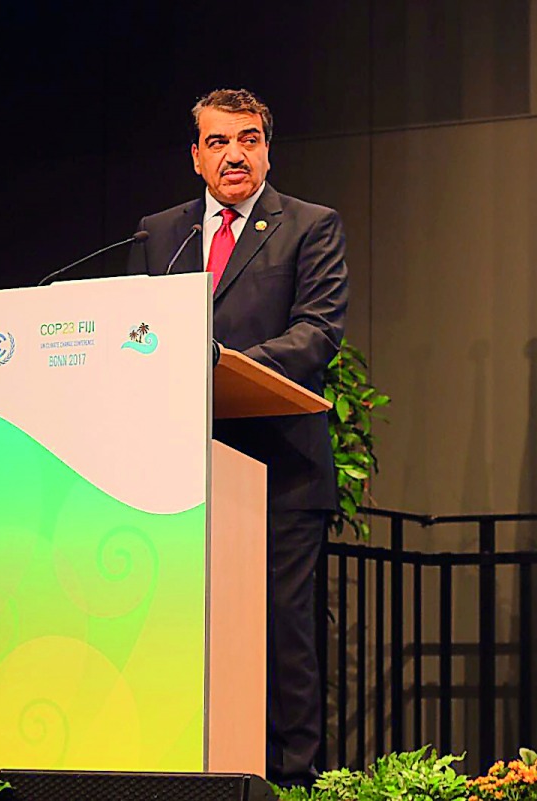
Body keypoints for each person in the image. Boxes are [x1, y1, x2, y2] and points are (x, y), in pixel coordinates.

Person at [127, 88, 348, 788]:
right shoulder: (159, 235)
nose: (234, 154)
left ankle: (290, 779)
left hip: (280, 465)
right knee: (185, 624)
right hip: (184, 464)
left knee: (284, 633)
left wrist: (225, 364)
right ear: (196, 156)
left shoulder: (309, 226)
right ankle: (188, 770)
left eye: (248, 139)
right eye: (218, 142)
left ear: (267, 149)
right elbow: (140, 332)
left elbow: (318, 332)